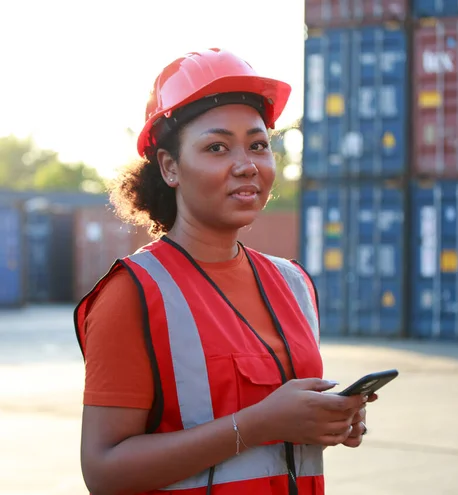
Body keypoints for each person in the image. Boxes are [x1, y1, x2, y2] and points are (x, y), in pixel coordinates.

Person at [74, 48, 376, 495]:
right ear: (170, 167)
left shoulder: (292, 284)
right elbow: (104, 472)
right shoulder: (135, 293)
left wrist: (325, 420)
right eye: (217, 147)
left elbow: (267, 448)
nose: (246, 165)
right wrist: (255, 425)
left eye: (258, 145)